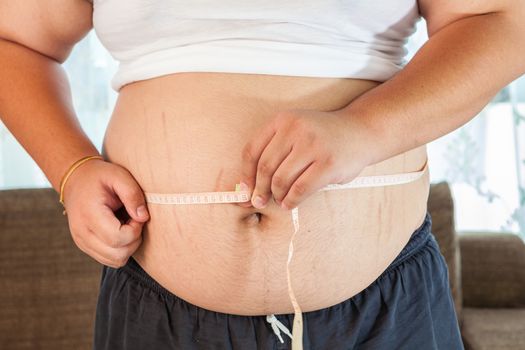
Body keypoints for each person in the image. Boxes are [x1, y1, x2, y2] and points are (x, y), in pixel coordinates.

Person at [1, 0, 524, 349]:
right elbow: (15, 41)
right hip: (155, 301)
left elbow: (502, 21)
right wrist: (72, 168)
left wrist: (365, 129)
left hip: (384, 302)